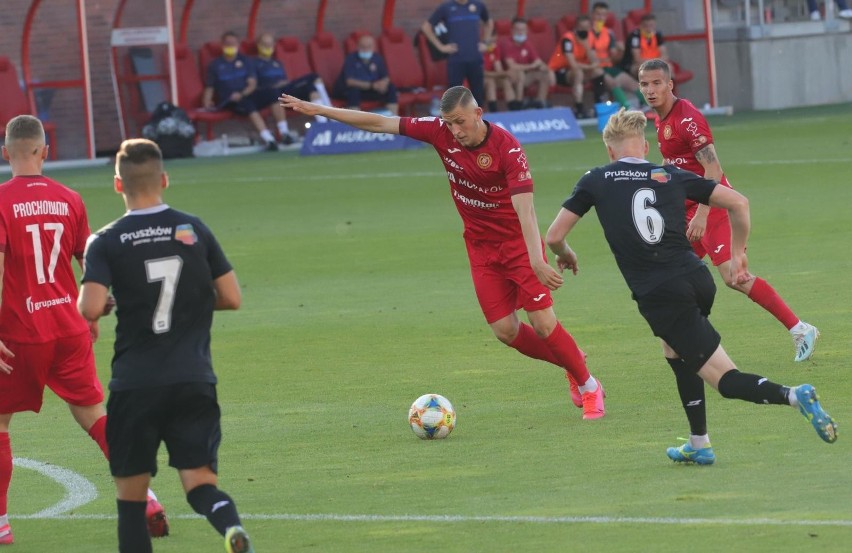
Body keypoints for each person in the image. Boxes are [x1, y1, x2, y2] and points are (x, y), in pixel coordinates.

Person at [280, 86, 605, 419]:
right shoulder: (440, 133)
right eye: (449, 123)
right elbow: (380, 123)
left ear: (478, 114)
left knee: (543, 324)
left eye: (460, 122)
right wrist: (319, 109)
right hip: (480, 248)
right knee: (505, 331)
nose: (455, 131)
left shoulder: (507, 149)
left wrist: (536, 259)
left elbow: (526, 210)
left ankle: (589, 386)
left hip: (519, 246)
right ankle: (571, 359)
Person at [545, 108, 837, 465]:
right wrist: (738, 254)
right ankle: (699, 443)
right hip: (696, 276)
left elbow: (555, 236)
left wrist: (567, 255)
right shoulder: (669, 174)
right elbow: (739, 202)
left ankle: (795, 396)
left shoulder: (596, 179)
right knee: (674, 349)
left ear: (609, 151)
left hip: (661, 293)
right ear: (646, 147)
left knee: (725, 379)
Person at [0, 116, 168, 547]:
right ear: (45, 151)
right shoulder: (70, 198)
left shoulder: (1, 200)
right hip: (68, 327)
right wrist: (97, 309)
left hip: (18, 333)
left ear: (6, 154)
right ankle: (144, 496)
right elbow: (91, 263)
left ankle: (0, 521)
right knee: (95, 415)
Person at [77, 139, 252, 553]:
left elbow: (89, 306)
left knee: (130, 502)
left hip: (135, 385)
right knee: (200, 486)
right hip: (193, 380)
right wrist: (192, 298)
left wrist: (116, 301)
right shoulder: (193, 228)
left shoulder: (105, 240)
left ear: (118, 184)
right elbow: (231, 297)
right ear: (165, 179)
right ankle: (230, 527)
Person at [638, 58, 819, 362]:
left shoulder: (687, 120)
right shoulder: (659, 119)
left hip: (713, 206)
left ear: (670, 85)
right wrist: (651, 178)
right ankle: (685, 340)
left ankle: (800, 328)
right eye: (645, 84)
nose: (651, 90)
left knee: (733, 276)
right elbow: (676, 165)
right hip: (688, 209)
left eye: (657, 83)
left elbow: (713, 168)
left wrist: (702, 214)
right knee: (671, 274)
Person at [202, 30, 280, 151]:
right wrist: (207, 101)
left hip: (246, 94)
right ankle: (269, 139)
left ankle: (284, 132)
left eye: (233, 44)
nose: (230, 46)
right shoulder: (215, 65)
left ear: (238, 45)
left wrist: (242, 93)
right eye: (228, 44)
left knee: (273, 94)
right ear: (222, 45)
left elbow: (252, 84)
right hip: (229, 100)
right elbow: (210, 86)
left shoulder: (246, 61)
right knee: (247, 104)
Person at [251, 32, 332, 136]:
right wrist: (274, 85)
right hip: (272, 93)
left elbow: (285, 80)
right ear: (258, 45)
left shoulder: (277, 63)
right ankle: (331, 113)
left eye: (270, 44)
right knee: (313, 77)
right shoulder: (253, 63)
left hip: (287, 89)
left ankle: (324, 125)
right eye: (265, 44)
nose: (268, 47)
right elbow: (256, 85)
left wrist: (283, 83)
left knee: (311, 88)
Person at [421, 0, 494, 106]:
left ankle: (477, 122)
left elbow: (489, 23)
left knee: (478, 98)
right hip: (456, 60)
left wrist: (485, 42)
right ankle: (454, 122)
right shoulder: (446, 7)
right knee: (454, 99)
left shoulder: (478, 5)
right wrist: (441, 47)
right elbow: (426, 27)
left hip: (475, 59)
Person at [547, 15, 603, 119]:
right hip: (559, 72)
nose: (584, 30)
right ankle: (579, 107)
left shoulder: (590, 38)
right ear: (576, 28)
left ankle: (599, 105)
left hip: (580, 69)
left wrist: (586, 46)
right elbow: (573, 65)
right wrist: (591, 66)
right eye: (581, 28)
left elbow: (595, 60)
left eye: (587, 28)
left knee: (598, 72)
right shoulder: (568, 39)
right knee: (578, 73)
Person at [589, 2, 642, 109]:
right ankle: (627, 109)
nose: (600, 18)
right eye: (598, 14)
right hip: (593, 68)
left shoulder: (608, 33)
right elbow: (591, 57)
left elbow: (614, 57)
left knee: (634, 84)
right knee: (613, 83)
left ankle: (652, 109)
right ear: (592, 15)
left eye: (603, 15)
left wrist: (621, 52)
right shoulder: (586, 33)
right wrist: (606, 58)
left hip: (608, 66)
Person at [333, 34, 399, 115]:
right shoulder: (351, 59)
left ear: (373, 47)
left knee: (391, 88)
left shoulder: (377, 58)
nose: (366, 49)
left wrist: (383, 83)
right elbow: (350, 81)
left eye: (369, 46)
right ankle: (355, 122)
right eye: (363, 47)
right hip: (354, 91)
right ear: (357, 46)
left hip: (372, 90)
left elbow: (385, 77)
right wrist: (371, 85)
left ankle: (393, 119)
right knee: (353, 91)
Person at [499, 17, 551, 110]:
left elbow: (538, 61)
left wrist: (546, 68)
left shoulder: (527, 44)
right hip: (508, 77)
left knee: (544, 75)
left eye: (523, 30)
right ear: (511, 30)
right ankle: (518, 106)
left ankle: (540, 104)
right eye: (517, 29)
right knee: (519, 74)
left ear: (527, 31)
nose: (520, 32)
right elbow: (512, 66)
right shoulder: (506, 43)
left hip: (525, 76)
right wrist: (531, 66)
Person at [621, 13, 669, 77]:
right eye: (646, 26)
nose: (649, 29)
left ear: (655, 25)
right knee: (646, 70)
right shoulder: (635, 36)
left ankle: (670, 86)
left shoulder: (657, 35)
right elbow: (637, 59)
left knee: (669, 68)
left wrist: (657, 62)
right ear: (640, 25)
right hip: (634, 64)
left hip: (654, 63)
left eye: (651, 25)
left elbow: (665, 55)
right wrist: (657, 62)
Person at [482, 41, 515, 113]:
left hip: (492, 76)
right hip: (479, 78)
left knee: (505, 80)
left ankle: (514, 110)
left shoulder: (494, 49)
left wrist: (506, 74)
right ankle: (493, 111)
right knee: (490, 81)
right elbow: (481, 73)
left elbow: (498, 69)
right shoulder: (478, 49)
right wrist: (504, 73)